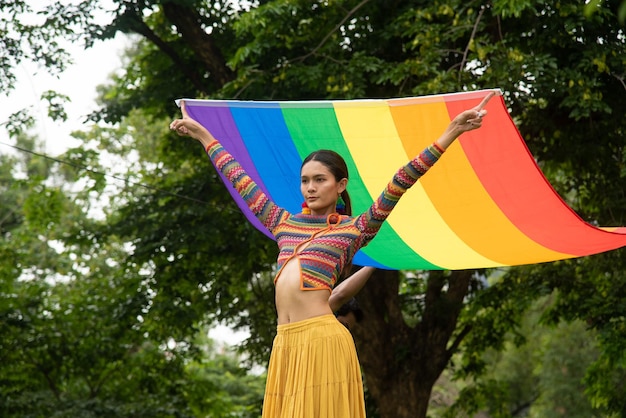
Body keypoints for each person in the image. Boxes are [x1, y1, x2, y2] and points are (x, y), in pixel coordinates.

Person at [169, 91, 495, 418]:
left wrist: (451, 131)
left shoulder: (354, 230)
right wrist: (202, 134)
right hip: (285, 345)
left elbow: (401, 180)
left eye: (319, 180)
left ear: (340, 186)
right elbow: (239, 178)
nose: (310, 187)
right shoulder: (281, 222)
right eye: (305, 181)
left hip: (321, 342)